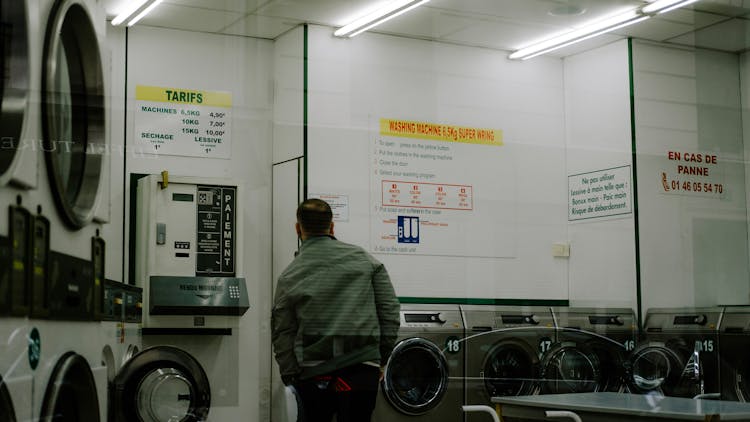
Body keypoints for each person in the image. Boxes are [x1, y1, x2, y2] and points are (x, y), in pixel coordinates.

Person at [272, 198, 400, 422]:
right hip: (362, 370)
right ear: (332, 227)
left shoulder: (289, 275)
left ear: (298, 228)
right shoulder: (366, 261)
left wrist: (290, 375)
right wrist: (381, 358)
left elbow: (282, 330)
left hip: (313, 373)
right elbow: (389, 312)